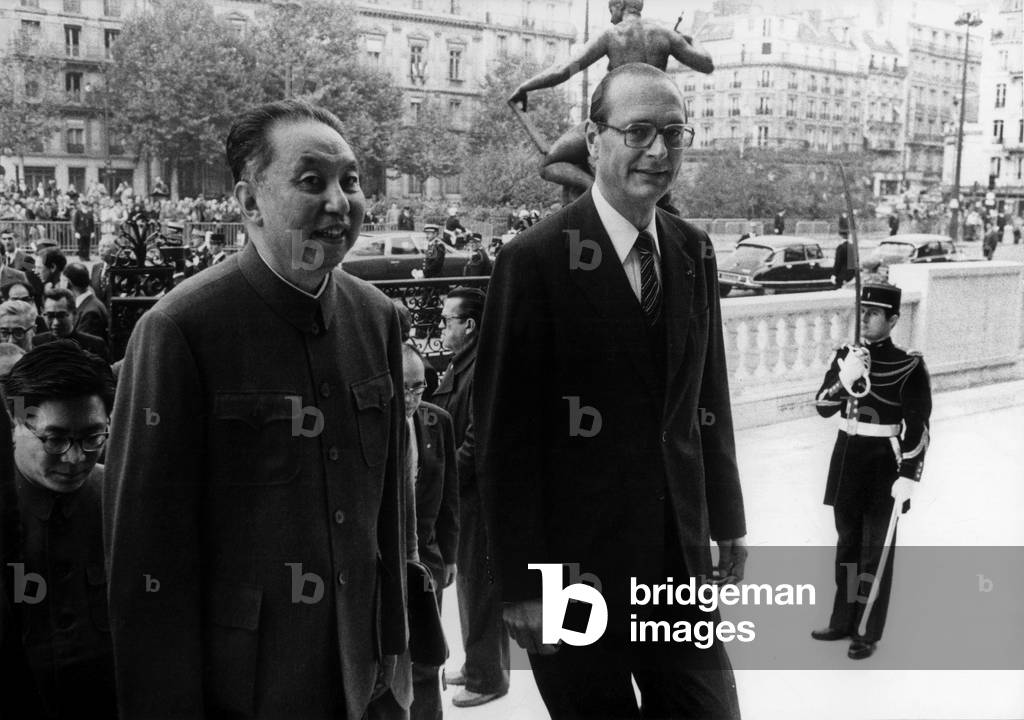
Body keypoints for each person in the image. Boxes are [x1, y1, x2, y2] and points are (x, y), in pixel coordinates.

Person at [103, 99, 409, 719]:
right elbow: (144, 555)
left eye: (349, 181)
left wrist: (396, 663)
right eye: (310, 181)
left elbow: (389, 517)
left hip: (368, 680)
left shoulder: (378, 318)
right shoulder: (180, 329)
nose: (338, 202)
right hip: (245, 692)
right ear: (248, 203)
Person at [475, 64, 746, 718]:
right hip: (572, 577)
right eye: (639, 132)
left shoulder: (693, 250)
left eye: (674, 134)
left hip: (676, 567)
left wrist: (727, 516)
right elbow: (504, 439)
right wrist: (519, 586)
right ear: (594, 141)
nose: (659, 151)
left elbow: (707, 396)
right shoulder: (533, 262)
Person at [812, 283, 931, 660]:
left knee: (874, 551)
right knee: (847, 546)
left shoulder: (909, 364)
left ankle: (866, 629)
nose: (864, 318)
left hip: (883, 463)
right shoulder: (847, 356)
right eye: (862, 310)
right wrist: (844, 379)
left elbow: (919, 425)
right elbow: (822, 406)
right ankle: (842, 619)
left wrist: (909, 474)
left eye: (874, 313)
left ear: (893, 319)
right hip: (847, 459)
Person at [2, 341, 118, 718]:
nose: (75, 458)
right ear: (15, 418)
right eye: (54, 439)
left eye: (92, 437)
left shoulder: (121, 499)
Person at [508, 0, 713, 197]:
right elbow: (706, 64)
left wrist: (525, 86)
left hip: (618, 118)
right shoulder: (665, 35)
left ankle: (598, 194)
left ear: (619, 5)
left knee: (549, 164)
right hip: (656, 123)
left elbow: (564, 70)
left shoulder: (612, 35)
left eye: (610, 10)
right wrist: (693, 40)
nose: (611, 18)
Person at [432, 286, 509, 708]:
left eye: (449, 320)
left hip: (475, 497)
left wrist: (444, 480)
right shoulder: (464, 364)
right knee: (470, 586)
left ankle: (487, 677)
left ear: (470, 325)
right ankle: (480, 664)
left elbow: (475, 440)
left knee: (479, 588)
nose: (443, 326)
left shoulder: (478, 368)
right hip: (468, 495)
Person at [402, 343, 459, 720]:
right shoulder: (370, 425)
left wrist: (450, 556)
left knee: (426, 658)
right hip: (386, 564)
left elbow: (449, 496)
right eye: (404, 387)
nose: (411, 397)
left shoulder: (438, 422)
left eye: (418, 387)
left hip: (428, 561)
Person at [34, 288, 109, 362]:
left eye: (61, 316)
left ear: (74, 314)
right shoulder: (37, 343)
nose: (56, 322)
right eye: (50, 316)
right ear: (42, 312)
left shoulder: (95, 346)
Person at [63, 263, 110, 343]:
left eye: (63, 280)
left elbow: (86, 346)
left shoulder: (90, 313)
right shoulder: (91, 303)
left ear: (69, 283)